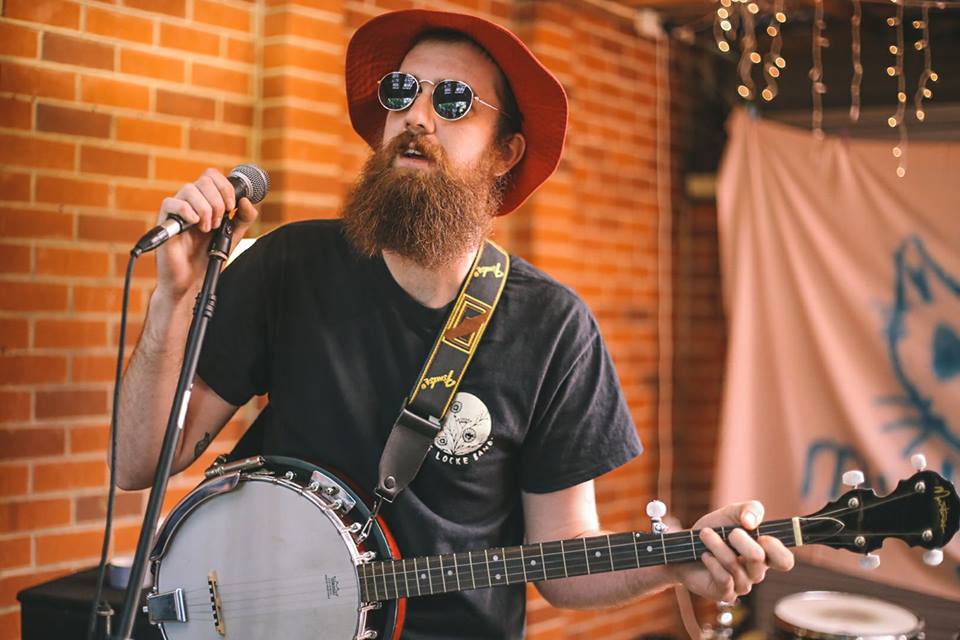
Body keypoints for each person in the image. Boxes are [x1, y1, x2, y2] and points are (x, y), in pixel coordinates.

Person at [116, 9, 793, 639]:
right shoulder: (291, 265)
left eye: (453, 101)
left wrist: (674, 562)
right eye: (403, 90)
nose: (417, 115)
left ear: (504, 153)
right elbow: (138, 460)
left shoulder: (552, 327)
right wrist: (171, 303)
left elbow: (562, 562)